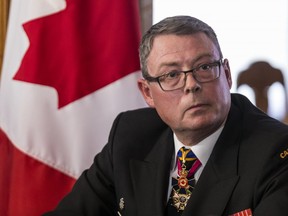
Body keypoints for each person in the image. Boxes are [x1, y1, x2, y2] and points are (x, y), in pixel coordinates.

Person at [44, 16, 288, 216]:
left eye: (204, 67)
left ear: (226, 74)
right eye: (171, 75)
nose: (191, 84)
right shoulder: (130, 135)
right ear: (147, 93)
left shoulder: (276, 152)